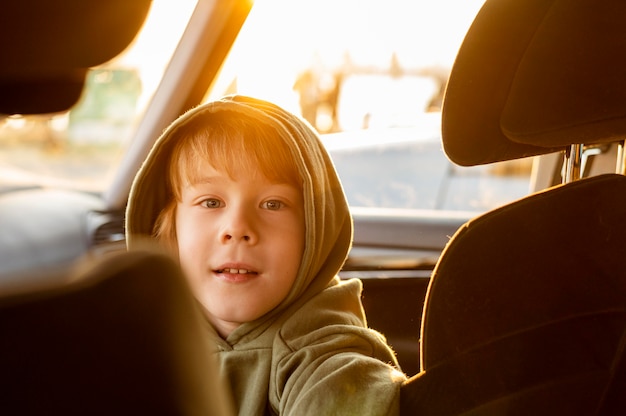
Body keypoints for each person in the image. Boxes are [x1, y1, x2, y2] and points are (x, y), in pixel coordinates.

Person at [125, 95, 406, 415]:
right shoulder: (140, 346)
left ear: (315, 233)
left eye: (273, 204)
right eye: (211, 202)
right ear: (170, 230)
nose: (237, 228)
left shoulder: (332, 365)